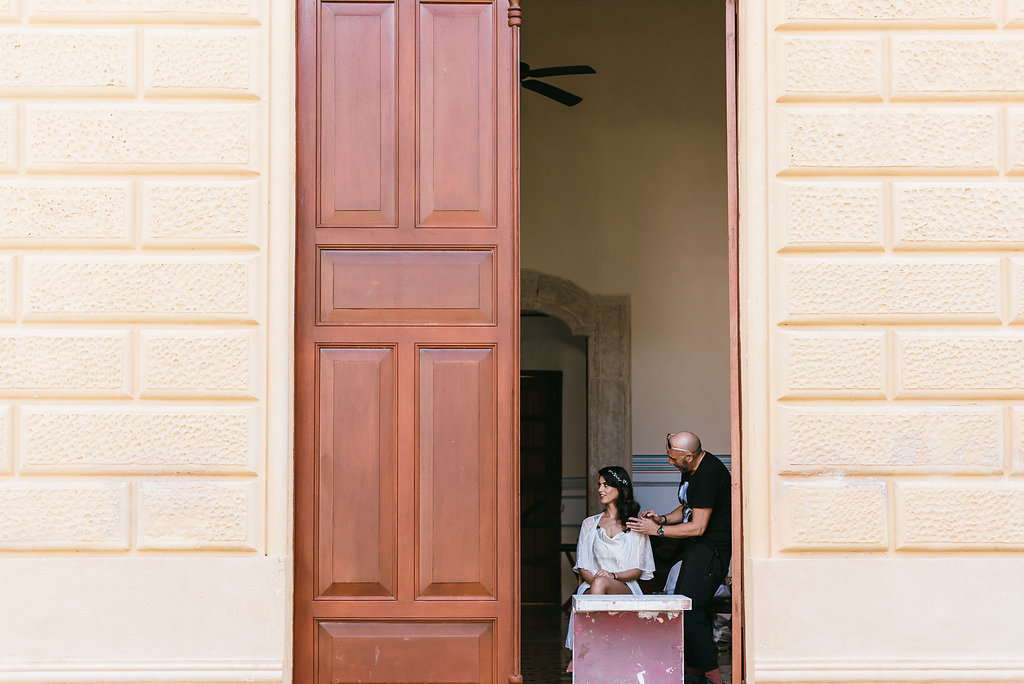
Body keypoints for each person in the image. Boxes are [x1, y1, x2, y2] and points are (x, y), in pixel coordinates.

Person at [627, 431, 731, 684]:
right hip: (696, 549)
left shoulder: (708, 474)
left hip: (711, 550)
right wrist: (662, 518)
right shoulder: (690, 468)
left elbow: (698, 526)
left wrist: (658, 531)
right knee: (685, 607)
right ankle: (695, 672)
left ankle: (712, 676)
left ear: (689, 456)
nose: (670, 462)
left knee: (692, 610)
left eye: (673, 458)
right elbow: (688, 507)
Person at [565, 465, 655, 671]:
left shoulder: (635, 524)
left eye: (606, 485)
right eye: (599, 485)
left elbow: (637, 570)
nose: (600, 490)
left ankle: (587, 651)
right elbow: (583, 567)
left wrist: (611, 576)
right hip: (592, 585)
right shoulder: (590, 524)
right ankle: (596, 649)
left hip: (625, 587)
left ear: (620, 488)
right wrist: (598, 580)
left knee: (601, 582)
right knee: (596, 585)